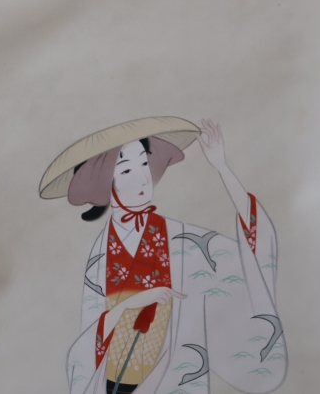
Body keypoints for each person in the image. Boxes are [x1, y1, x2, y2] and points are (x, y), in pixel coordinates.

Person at [38, 117, 286, 394]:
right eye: (127, 170)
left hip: (171, 376)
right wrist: (135, 302)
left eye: (145, 164)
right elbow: (91, 336)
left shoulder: (182, 239)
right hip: (112, 382)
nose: (144, 178)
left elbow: (250, 251)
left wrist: (222, 168)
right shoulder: (100, 258)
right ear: (103, 182)